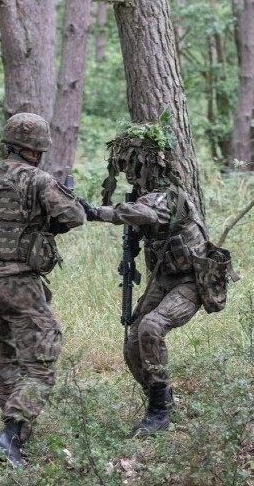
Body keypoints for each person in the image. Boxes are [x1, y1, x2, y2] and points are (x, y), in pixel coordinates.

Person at [0, 113, 85, 468]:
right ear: (35, 151)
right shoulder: (38, 178)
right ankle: (11, 434)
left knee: (6, 362)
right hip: (17, 283)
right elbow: (74, 216)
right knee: (41, 364)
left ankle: (14, 440)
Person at [78, 128, 210, 437]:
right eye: (121, 165)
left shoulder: (170, 196)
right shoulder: (145, 194)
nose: (126, 172)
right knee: (133, 342)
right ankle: (161, 399)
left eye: (131, 164)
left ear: (149, 164)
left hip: (191, 281)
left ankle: (159, 414)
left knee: (152, 326)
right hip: (163, 279)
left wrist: (97, 212)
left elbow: (146, 212)